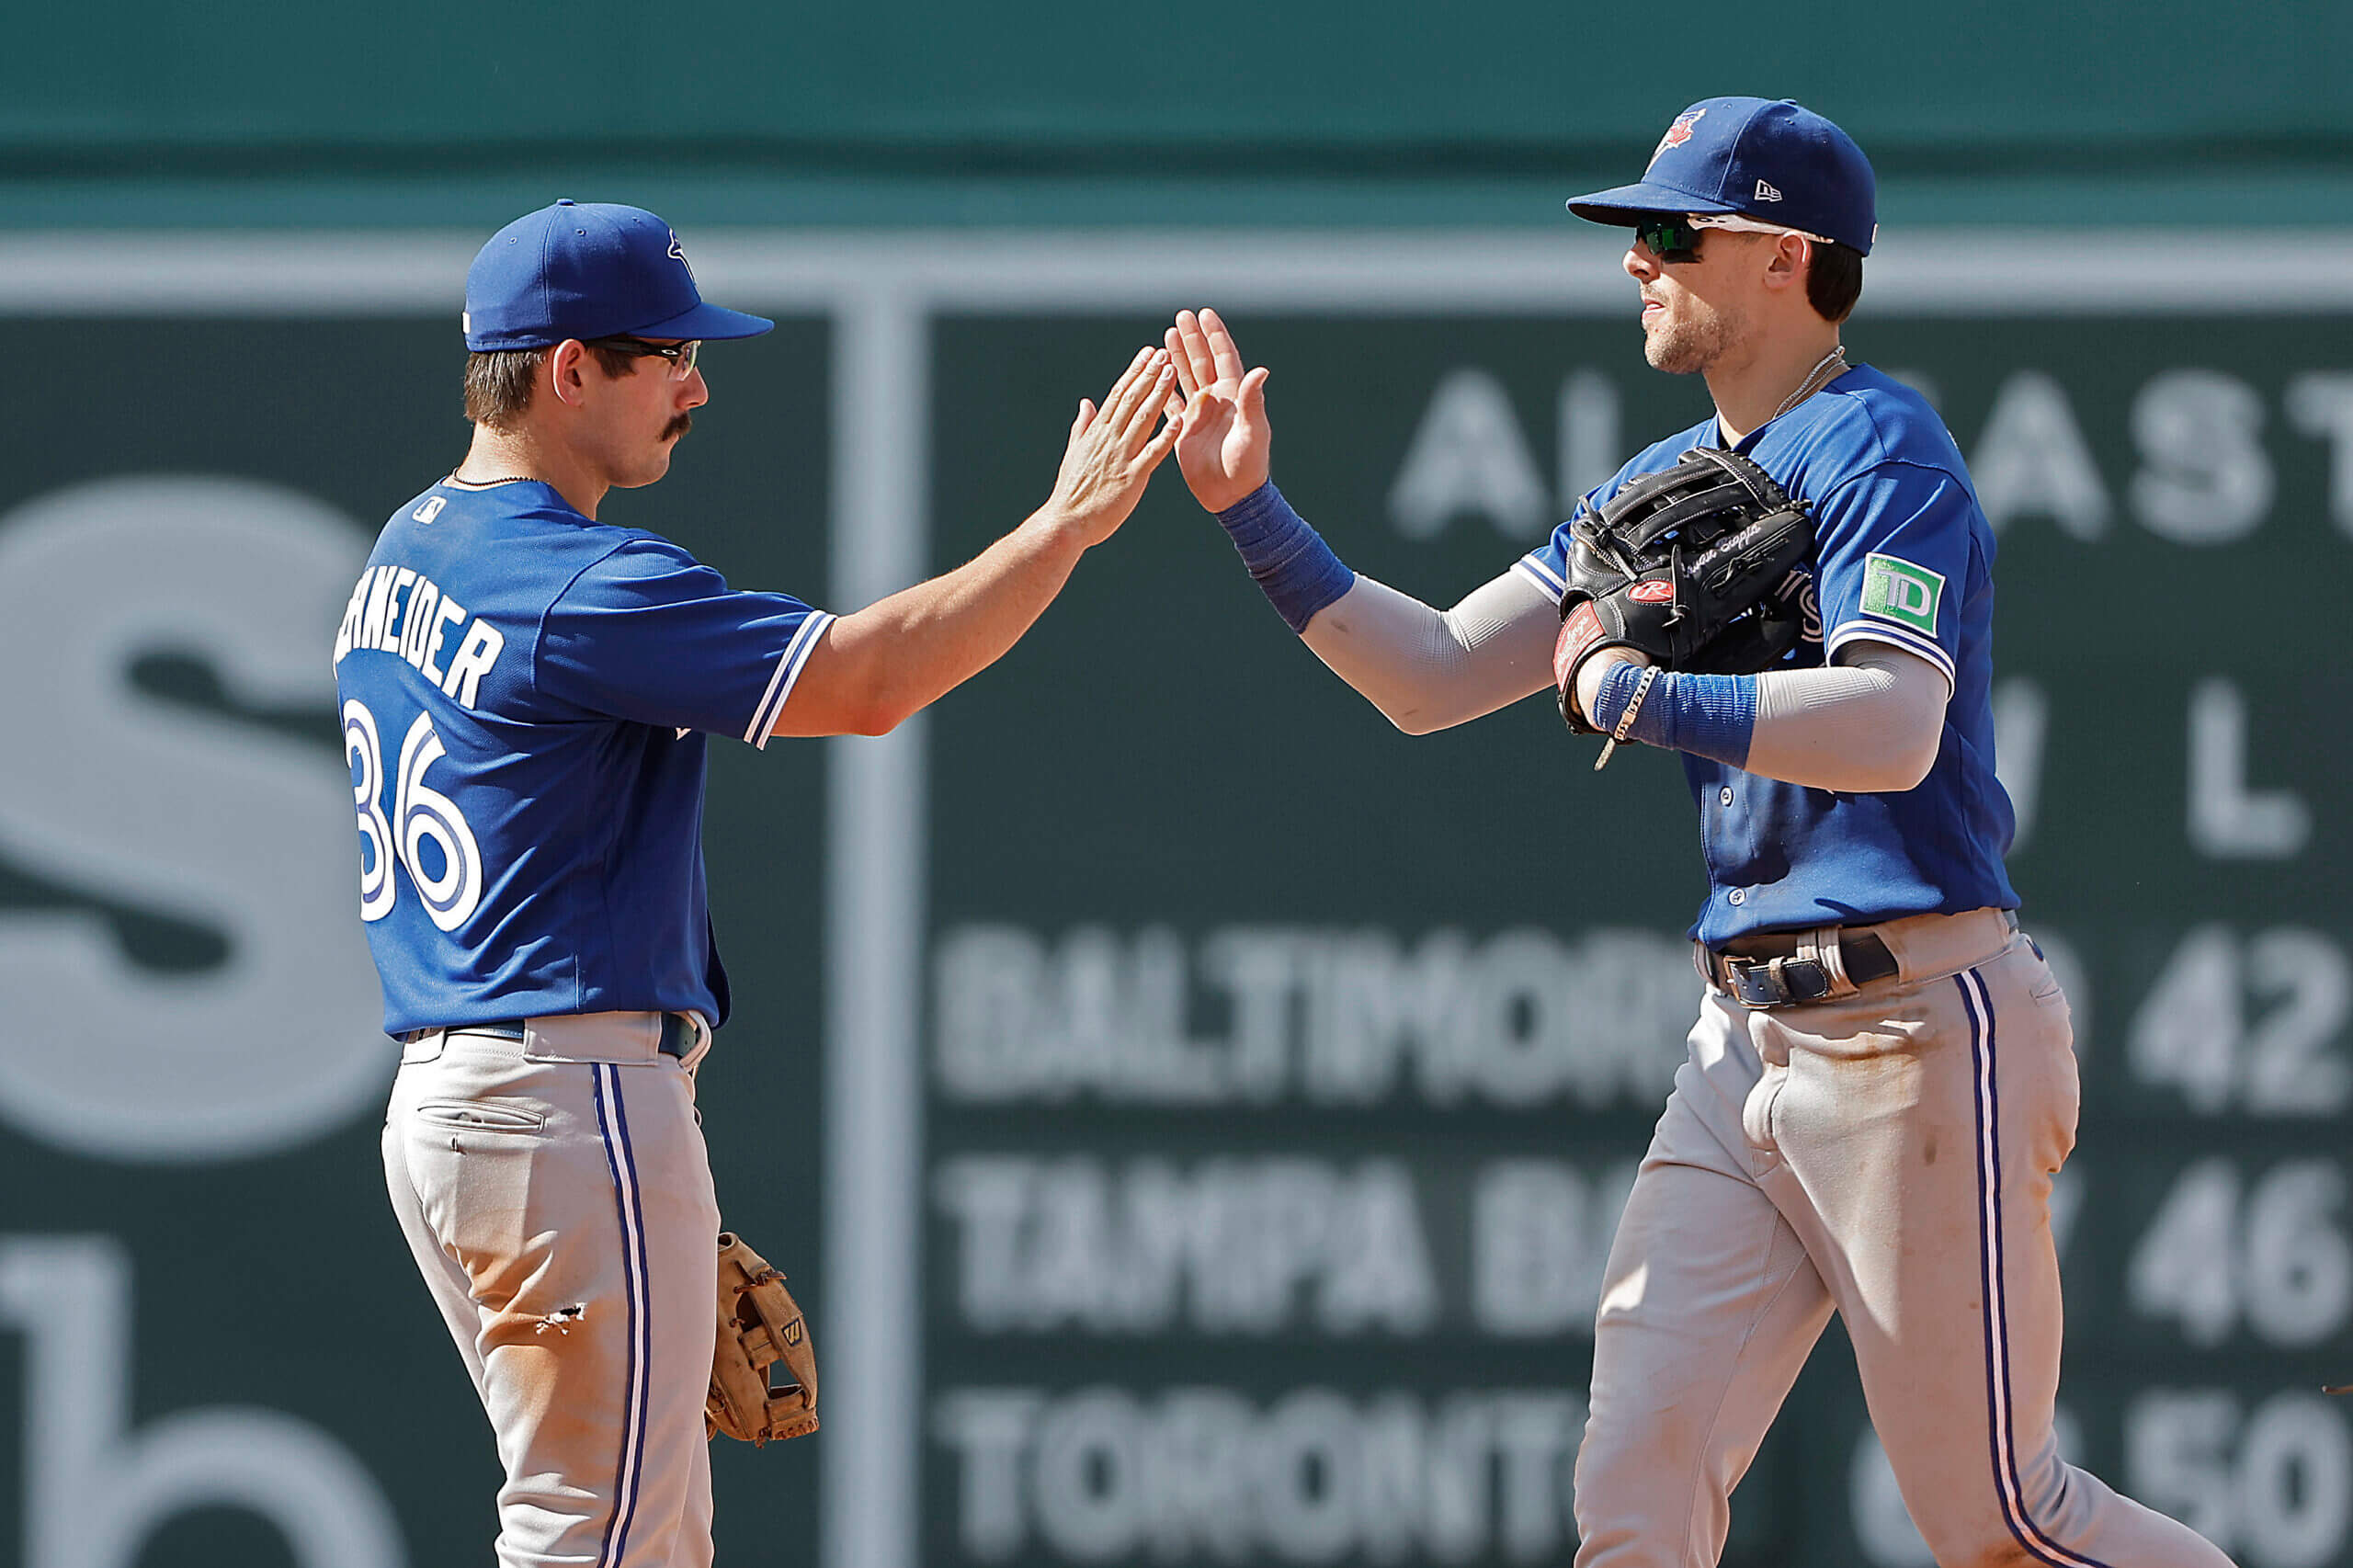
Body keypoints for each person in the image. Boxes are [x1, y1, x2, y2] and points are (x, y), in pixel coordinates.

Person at [1164, 99, 2235, 1567]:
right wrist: (1252, 511)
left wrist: (1647, 691)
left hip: (1916, 1024)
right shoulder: (1656, 491)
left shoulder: (1883, 448)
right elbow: (1425, 676)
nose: (1637, 261)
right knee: (1636, 1490)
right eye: (1634, 235)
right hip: (1742, 1044)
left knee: (1995, 1517)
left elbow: (1892, 721)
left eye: (1674, 232)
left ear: (1788, 256)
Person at [334, 199, 1176, 1567]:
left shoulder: (408, 548)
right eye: (667, 352)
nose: (696, 383)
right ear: (568, 370)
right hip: (563, 1099)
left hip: (461, 1104)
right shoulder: (570, 581)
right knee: (596, 1539)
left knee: (639, 1535)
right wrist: (1063, 528)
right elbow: (867, 679)